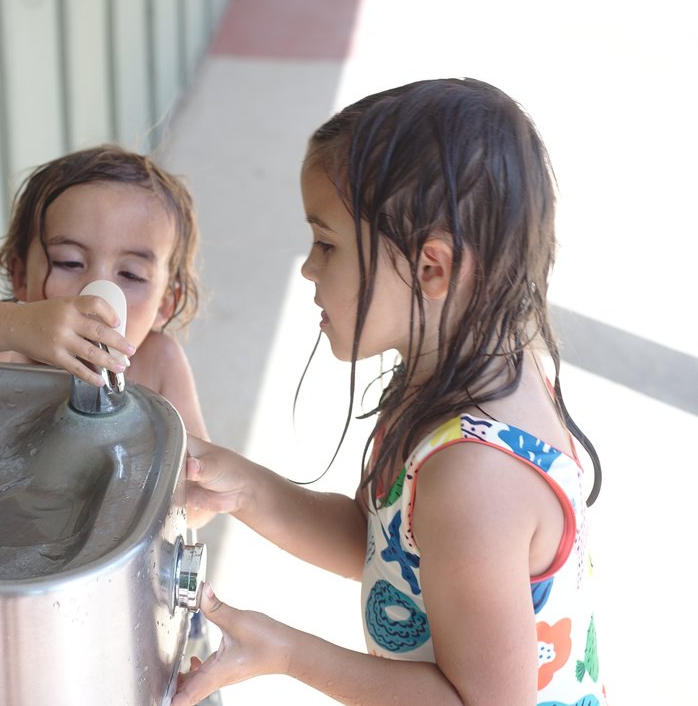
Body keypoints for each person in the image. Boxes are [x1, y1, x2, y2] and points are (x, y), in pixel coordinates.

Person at [173, 78, 605, 705]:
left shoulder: (473, 477)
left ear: (432, 267)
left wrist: (289, 653)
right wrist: (247, 488)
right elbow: (379, 542)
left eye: (327, 243)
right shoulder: (454, 378)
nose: (308, 267)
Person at [0, 142, 209, 442]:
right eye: (69, 262)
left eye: (130, 274)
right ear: (20, 276)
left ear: (165, 305)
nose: (97, 296)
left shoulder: (159, 362)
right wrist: (14, 324)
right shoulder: (7, 349)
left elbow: (194, 463)